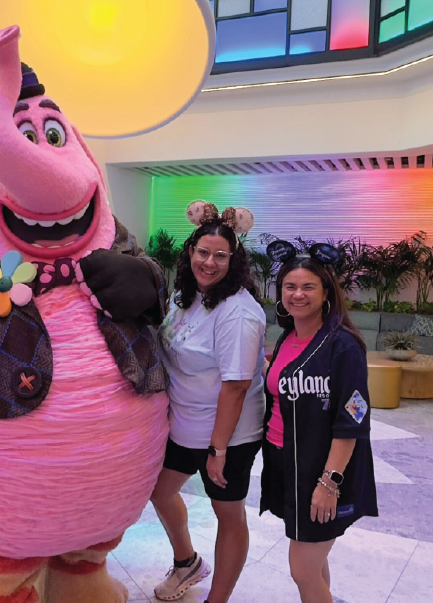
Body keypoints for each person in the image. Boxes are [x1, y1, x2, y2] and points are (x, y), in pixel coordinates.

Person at [151, 202, 266, 603]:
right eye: (203, 252)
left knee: (228, 514)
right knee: (160, 491)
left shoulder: (238, 312)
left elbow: (235, 387)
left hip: (227, 435)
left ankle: (217, 599)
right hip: (185, 423)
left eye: (221, 255)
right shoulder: (189, 296)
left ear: (234, 261)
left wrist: (218, 449)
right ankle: (187, 563)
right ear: (190, 252)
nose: (210, 262)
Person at [259, 240, 377, 603]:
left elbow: (352, 418)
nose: (297, 294)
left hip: (322, 468)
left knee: (303, 568)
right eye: (289, 286)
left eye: (308, 286)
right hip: (285, 461)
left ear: (326, 292)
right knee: (313, 557)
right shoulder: (287, 338)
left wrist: (329, 483)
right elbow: (284, 387)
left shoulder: (343, 345)